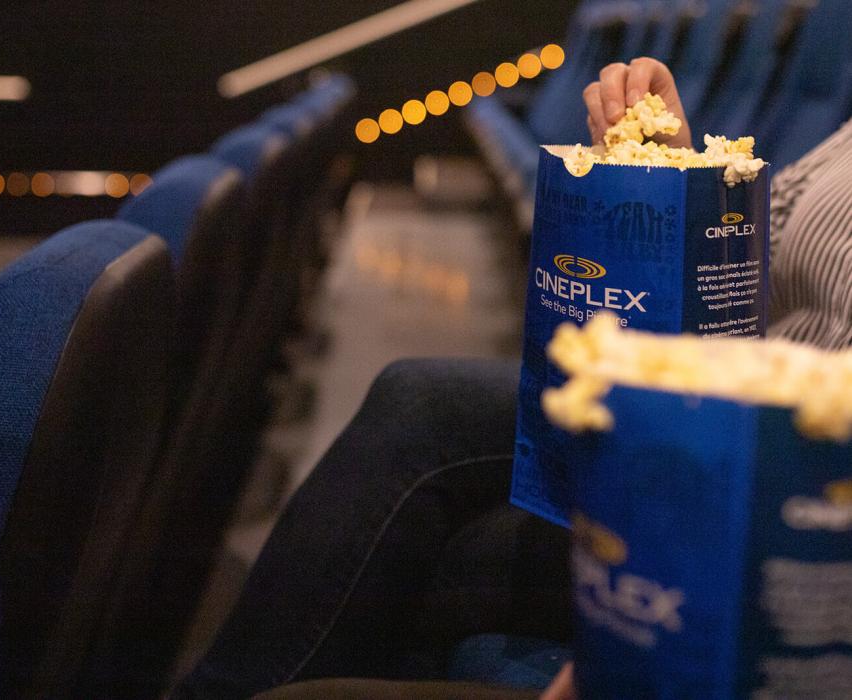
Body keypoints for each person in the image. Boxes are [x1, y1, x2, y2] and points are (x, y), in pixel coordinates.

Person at [177, 57, 852, 699]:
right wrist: (677, 165)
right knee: (417, 401)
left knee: (428, 559)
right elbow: (756, 239)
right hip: (719, 397)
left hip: (782, 494)